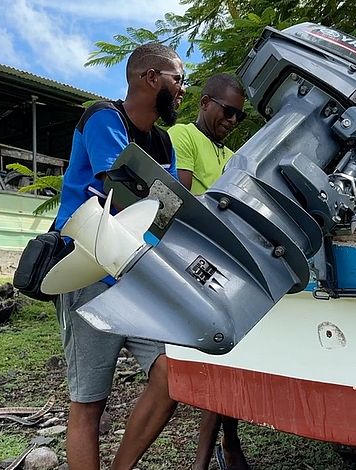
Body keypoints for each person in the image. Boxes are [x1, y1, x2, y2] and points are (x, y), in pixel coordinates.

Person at [54, 43, 186, 470]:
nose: (182, 89)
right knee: (88, 402)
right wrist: (166, 203)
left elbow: (169, 208)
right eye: (177, 79)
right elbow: (124, 186)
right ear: (150, 78)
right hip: (88, 270)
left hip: (136, 276)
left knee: (171, 375)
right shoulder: (103, 118)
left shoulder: (163, 143)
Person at [167, 73, 250, 470]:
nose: (232, 120)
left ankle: (223, 447)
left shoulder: (231, 156)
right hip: (191, 259)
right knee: (215, 360)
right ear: (204, 103)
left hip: (224, 263)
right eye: (227, 111)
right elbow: (183, 199)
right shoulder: (182, 135)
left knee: (227, 357)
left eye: (240, 117)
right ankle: (214, 454)